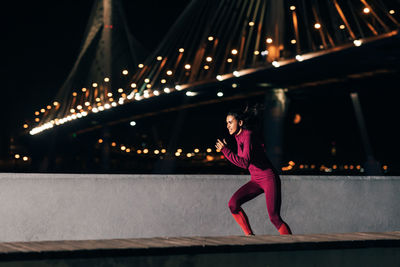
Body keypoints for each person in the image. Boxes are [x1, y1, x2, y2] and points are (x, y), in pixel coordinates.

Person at [215, 105, 292, 236]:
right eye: (226, 123)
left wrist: (225, 150)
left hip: (268, 179)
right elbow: (242, 160)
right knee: (233, 204)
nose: (227, 126)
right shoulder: (238, 137)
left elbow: (244, 163)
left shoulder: (248, 135)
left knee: (274, 218)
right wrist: (227, 150)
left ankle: (293, 246)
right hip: (256, 181)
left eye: (230, 122)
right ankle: (249, 237)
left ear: (240, 123)